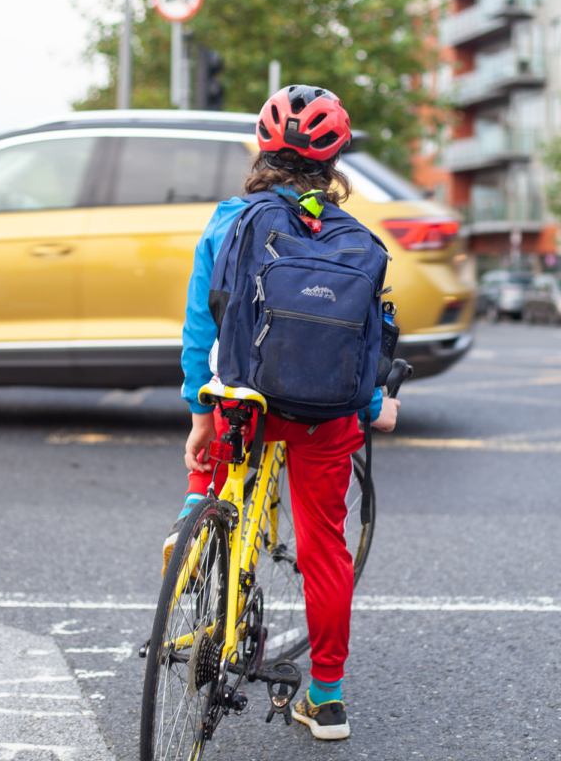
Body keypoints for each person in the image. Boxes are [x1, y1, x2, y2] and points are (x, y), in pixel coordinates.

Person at [169, 85, 399, 741]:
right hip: (323, 416)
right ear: (335, 165)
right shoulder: (359, 241)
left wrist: (198, 415)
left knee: (224, 415)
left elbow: (199, 330)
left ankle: (198, 512)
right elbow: (362, 344)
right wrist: (376, 404)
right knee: (325, 547)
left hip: (247, 399)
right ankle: (327, 699)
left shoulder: (228, 221)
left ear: (262, 148)